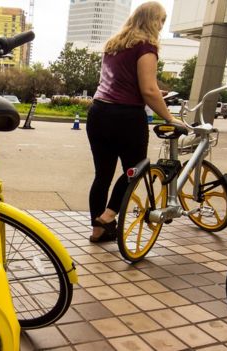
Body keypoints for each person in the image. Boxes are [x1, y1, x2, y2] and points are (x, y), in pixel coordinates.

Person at [86, 1, 185, 242]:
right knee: (136, 169)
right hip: (126, 118)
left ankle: (98, 231)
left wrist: (154, 92)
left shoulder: (114, 45)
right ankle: (108, 216)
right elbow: (148, 90)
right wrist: (171, 118)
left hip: (99, 113)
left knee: (103, 175)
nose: (162, 26)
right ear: (152, 20)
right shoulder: (146, 47)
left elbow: (125, 83)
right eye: (161, 20)